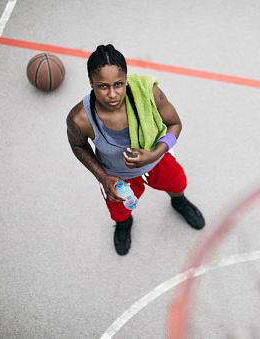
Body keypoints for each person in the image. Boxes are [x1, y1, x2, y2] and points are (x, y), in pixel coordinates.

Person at [66, 44, 205, 256]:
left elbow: (175, 124)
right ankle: (124, 225)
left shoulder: (148, 93)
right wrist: (102, 177)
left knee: (178, 184)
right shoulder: (80, 118)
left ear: (126, 78)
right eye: (103, 86)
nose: (112, 94)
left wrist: (155, 153)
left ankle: (179, 202)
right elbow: (78, 145)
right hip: (116, 175)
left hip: (156, 158)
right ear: (90, 82)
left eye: (118, 84)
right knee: (119, 211)